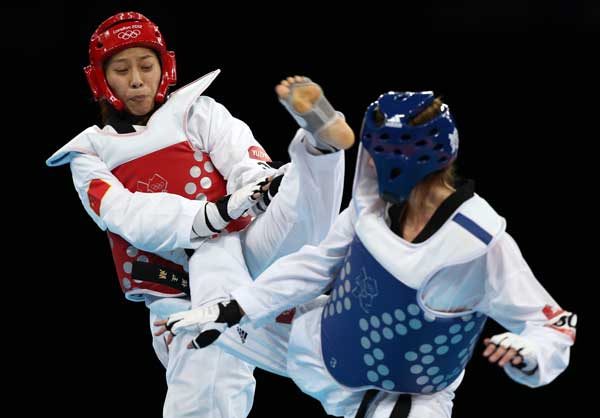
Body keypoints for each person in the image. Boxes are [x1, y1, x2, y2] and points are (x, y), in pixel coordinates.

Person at [162, 91, 577, 418]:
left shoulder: (477, 244)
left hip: (399, 396)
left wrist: (529, 355)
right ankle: (316, 145)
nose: (369, 168)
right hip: (317, 342)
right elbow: (316, 264)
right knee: (212, 300)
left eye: (378, 159)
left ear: (405, 163)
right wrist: (232, 308)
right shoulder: (374, 207)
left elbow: (556, 325)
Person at [45, 11, 355, 418]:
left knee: (294, 201)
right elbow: (127, 215)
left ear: (165, 67)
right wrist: (216, 212)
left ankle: (319, 146)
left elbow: (242, 156)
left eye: (146, 65)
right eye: (121, 70)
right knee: (213, 369)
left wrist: (259, 186)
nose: (137, 79)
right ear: (101, 81)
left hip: (245, 251)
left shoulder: (198, 112)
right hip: (178, 292)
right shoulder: (88, 153)